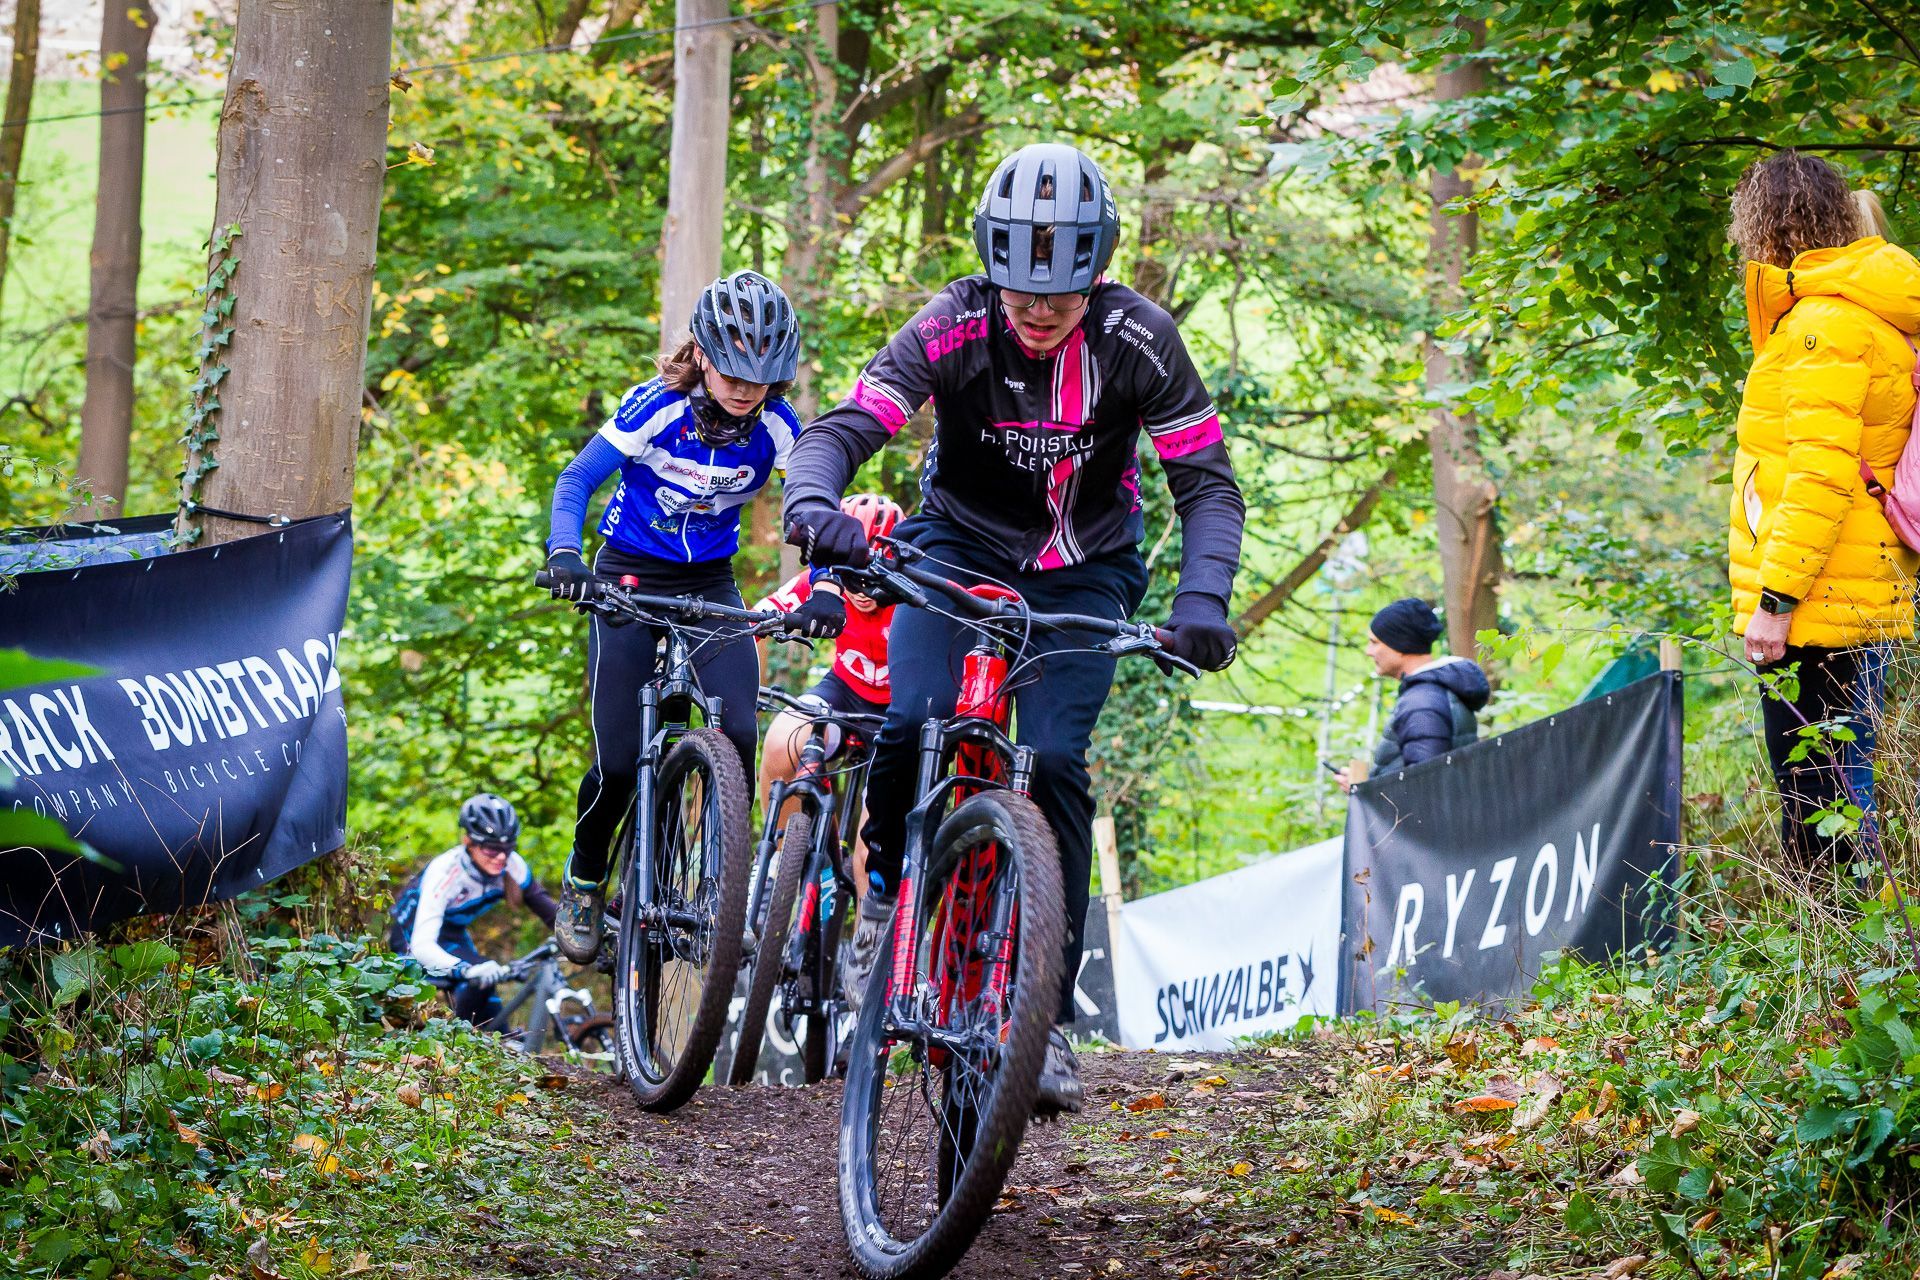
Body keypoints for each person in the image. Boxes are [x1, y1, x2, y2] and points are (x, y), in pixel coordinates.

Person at [781, 142, 1245, 1114]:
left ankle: (1048, 1017)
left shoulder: (1139, 338)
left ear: (1098, 276)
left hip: (1087, 566)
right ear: (992, 272)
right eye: (1022, 293)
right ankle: (882, 899)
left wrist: (1203, 599)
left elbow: (1205, 483)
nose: (1038, 312)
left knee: (1057, 762)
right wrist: (815, 501)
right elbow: (847, 424)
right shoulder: (950, 324)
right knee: (913, 717)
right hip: (957, 545)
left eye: (1061, 297)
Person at [540, 270, 844, 964]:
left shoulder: (778, 426)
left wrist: (825, 585)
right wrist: (565, 555)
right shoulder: (657, 406)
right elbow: (577, 478)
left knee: (738, 730)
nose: (745, 390)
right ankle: (586, 880)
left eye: (760, 379)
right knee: (619, 762)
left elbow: (812, 510)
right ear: (702, 354)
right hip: (628, 576)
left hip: (709, 582)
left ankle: (720, 889)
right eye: (733, 373)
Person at [1728, 151, 1920, 867]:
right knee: (1842, 778)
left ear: (1767, 227)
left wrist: (1776, 601)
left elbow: (1818, 476)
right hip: (1851, 585)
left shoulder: (1823, 326)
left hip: (1819, 598)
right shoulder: (1861, 314)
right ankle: (1856, 926)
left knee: (1817, 797)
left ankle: (1836, 928)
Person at [754, 493, 902, 900]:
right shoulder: (822, 582)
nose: (863, 588)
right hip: (844, 691)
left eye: (876, 571)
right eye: (852, 571)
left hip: (898, 710)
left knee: (870, 849)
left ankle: (871, 926)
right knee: (781, 739)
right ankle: (781, 867)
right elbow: (758, 618)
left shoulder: (915, 595)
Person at [391, 794, 558, 1029]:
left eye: (508, 848)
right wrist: (466, 970)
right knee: (478, 976)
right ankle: (456, 1042)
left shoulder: (513, 866)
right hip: (412, 936)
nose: (501, 857)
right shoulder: (446, 872)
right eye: (491, 850)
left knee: (487, 990)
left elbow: (553, 916)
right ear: (468, 841)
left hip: (452, 932)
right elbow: (422, 946)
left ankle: (496, 1040)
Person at [1336, 597, 1489, 788]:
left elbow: (1425, 788)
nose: (1368, 651)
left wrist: (1367, 793)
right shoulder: (1432, 693)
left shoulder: (1422, 704)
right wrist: (1364, 787)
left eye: (1375, 643)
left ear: (1400, 644)